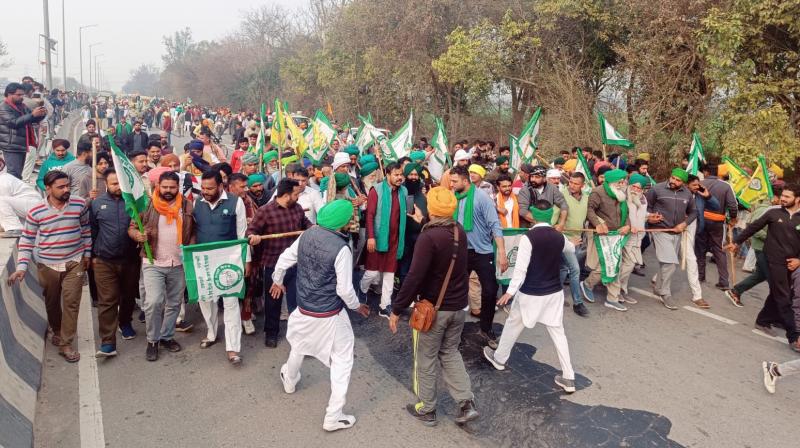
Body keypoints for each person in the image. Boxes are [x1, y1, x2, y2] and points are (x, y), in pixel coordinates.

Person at [272, 199, 370, 431]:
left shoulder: (307, 234)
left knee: (300, 344)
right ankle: (333, 416)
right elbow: (345, 290)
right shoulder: (342, 248)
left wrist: (277, 281)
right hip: (329, 314)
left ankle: (289, 379)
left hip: (305, 308)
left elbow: (284, 259)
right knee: (343, 361)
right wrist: (358, 306)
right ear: (344, 222)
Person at [390, 186, 479, 427]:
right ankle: (466, 403)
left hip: (433, 310)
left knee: (425, 359)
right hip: (458, 307)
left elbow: (414, 276)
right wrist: (423, 224)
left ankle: (427, 409)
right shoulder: (458, 230)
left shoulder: (428, 237)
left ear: (431, 208)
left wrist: (397, 309)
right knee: (450, 353)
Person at [483, 200, 577, 394]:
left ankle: (500, 358)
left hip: (530, 293)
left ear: (533, 215)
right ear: (551, 215)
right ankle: (569, 376)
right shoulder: (559, 237)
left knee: (513, 325)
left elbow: (521, 269)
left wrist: (510, 292)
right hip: (554, 293)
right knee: (558, 333)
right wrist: (573, 242)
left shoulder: (528, 238)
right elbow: (571, 249)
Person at [8, 171, 91, 363]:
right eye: (60, 187)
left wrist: (87, 254)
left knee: (71, 302)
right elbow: (27, 239)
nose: (66, 190)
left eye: (67, 186)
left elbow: (86, 229)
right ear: (48, 188)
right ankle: (56, 328)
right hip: (47, 264)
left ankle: (66, 343)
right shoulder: (36, 211)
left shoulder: (79, 204)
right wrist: (21, 267)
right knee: (52, 302)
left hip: (74, 261)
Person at [130, 171, 194, 361]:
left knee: (174, 303)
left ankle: (167, 336)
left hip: (179, 263)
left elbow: (193, 231)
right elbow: (132, 227)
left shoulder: (187, 204)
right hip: (153, 262)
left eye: (172, 187)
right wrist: (137, 236)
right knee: (154, 302)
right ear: (158, 186)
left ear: (178, 187)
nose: (168, 190)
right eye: (164, 187)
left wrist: (190, 247)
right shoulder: (147, 204)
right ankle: (152, 340)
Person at [727, 184, 800, 351]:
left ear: (797, 199)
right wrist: (736, 242)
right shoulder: (774, 212)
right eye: (783, 195)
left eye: (787, 197)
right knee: (784, 296)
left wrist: (798, 261)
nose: (783, 199)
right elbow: (753, 227)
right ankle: (794, 337)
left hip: (791, 264)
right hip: (771, 259)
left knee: (778, 292)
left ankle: (765, 320)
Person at [246, 178, 312, 348]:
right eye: (296, 194)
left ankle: (299, 336)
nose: (298, 197)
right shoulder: (265, 211)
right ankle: (271, 333)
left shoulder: (297, 208)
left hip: (296, 263)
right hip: (273, 264)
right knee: (273, 301)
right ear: (286, 195)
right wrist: (253, 237)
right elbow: (251, 231)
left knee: (296, 301)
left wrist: (313, 228)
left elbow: (306, 224)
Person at [193, 170, 250, 365]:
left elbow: (242, 234)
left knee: (231, 304)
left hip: (229, 262)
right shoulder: (195, 203)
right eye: (203, 187)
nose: (205, 192)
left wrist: (246, 261)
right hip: (204, 262)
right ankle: (211, 333)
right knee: (206, 300)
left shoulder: (236, 202)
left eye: (209, 188)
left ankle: (233, 347)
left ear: (220, 186)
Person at [450, 165, 508, 348]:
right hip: (461, 251)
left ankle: (486, 327)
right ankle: (453, 332)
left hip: (483, 252)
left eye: (454, 181)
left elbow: (495, 225)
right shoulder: (454, 197)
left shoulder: (482, 198)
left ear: (465, 181)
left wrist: (502, 253)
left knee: (490, 291)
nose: (451, 184)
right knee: (456, 291)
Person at [90, 169, 141, 356]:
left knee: (128, 296)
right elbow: (92, 231)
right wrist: (92, 256)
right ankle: (108, 342)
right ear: (106, 184)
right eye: (113, 184)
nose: (117, 187)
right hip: (104, 261)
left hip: (130, 260)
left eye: (120, 184)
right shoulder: (96, 204)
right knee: (107, 300)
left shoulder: (135, 203)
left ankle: (125, 322)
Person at [581, 169, 633, 312]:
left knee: (614, 264)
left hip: (616, 235)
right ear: (611, 182)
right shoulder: (597, 192)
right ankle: (587, 284)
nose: (623, 184)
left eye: (624, 181)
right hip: (601, 235)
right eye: (620, 182)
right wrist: (598, 223)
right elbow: (589, 210)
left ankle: (612, 298)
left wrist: (627, 225)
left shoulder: (621, 194)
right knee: (604, 266)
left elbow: (626, 212)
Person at [361, 163, 408, 318]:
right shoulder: (377, 190)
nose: (399, 177)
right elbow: (370, 215)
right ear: (387, 175)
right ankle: (361, 290)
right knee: (372, 272)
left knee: (389, 272)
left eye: (401, 174)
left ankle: (384, 305)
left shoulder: (404, 191)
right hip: (379, 238)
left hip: (396, 239)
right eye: (396, 174)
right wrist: (371, 237)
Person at [646, 168, 697, 310]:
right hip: (660, 230)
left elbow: (694, 212)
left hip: (677, 233)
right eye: (673, 178)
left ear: (684, 183)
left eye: (678, 180)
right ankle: (665, 293)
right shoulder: (657, 189)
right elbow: (647, 206)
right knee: (671, 263)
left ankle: (658, 287)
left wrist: (684, 224)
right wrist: (650, 217)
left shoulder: (688, 194)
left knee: (666, 263)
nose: (674, 181)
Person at [725, 188, 780, 307]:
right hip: (761, 247)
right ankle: (776, 310)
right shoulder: (766, 210)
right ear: (775, 197)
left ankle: (736, 291)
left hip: (767, 247)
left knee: (760, 275)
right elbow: (755, 229)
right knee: (774, 281)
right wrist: (774, 238)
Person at [696, 162, 738, 290]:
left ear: (706, 172)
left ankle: (700, 276)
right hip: (718, 222)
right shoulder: (726, 186)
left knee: (700, 249)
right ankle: (724, 282)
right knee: (719, 250)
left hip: (701, 220)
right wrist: (733, 218)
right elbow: (733, 205)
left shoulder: (699, 184)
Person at [560, 172, 591, 316]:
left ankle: (555, 296)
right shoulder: (561, 195)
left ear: (582, 185)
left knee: (563, 268)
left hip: (578, 240)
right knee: (575, 270)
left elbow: (591, 215)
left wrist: (602, 225)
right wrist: (565, 240)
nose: (571, 185)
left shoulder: (586, 198)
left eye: (576, 183)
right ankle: (578, 303)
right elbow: (554, 222)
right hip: (564, 239)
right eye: (570, 182)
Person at [0, 82, 47, 179]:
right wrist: (32, 115)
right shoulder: (3, 107)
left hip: (21, 144)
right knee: (14, 174)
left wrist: (41, 114)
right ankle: (11, 193)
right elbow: (13, 123)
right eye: (19, 95)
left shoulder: (22, 106)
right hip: (11, 145)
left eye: (23, 94)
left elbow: (31, 119)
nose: (22, 97)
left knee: (18, 173)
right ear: (9, 94)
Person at [518, 165, 569, 230]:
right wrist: (542, 223)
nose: (533, 179)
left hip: (547, 226)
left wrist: (561, 223)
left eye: (537, 177)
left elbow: (563, 204)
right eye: (532, 176)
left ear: (544, 179)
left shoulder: (552, 188)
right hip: (529, 228)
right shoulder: (525, 190)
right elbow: (523, 211)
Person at [0, 159, 42, 238]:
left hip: (34, 207)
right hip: (28, 207)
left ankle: (14, 228)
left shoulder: (2, 181)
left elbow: (3, 207)